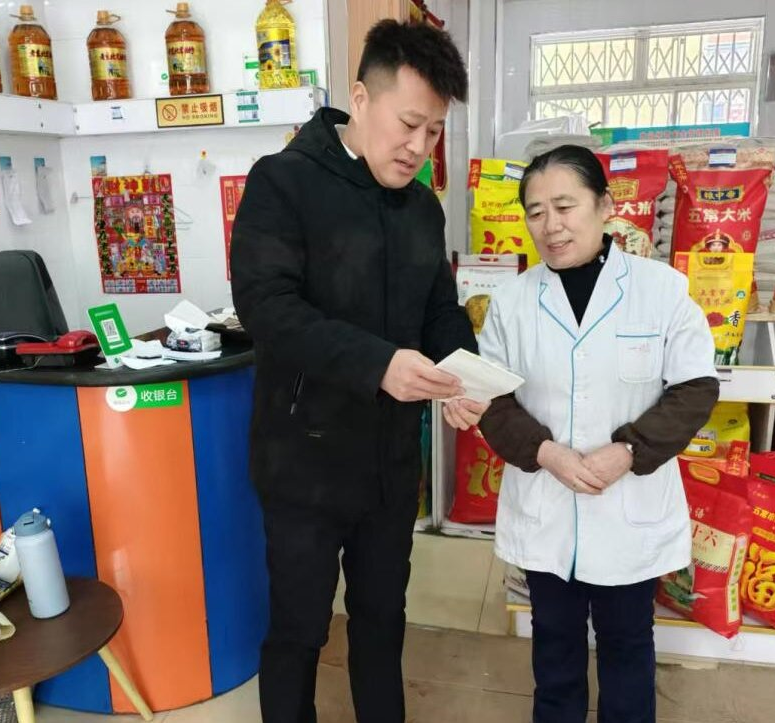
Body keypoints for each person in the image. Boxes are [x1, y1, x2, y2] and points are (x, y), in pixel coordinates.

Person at [230, 19, 482, 723]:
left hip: (389, 463)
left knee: (382, 618)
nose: (418, 147)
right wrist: (378, 364)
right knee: (299, 629)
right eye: (409, 124)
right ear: (361, 99)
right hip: (303, 462)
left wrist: (463, 375)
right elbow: (267, 307)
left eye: (434, 131)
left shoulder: (422, 208)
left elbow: (439, 310)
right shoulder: (284, 182)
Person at [476, 145, 720, 723]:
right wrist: (545, 452)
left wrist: (629, 450)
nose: (551, 225)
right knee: (554, 648)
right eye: (536, 212)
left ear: (605, 206)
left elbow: (694, 389)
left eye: (565, 206)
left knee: (627, 644)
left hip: (627, 504)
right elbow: (492, 398)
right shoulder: (512, 302)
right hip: (548, 502)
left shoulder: (660, 290)